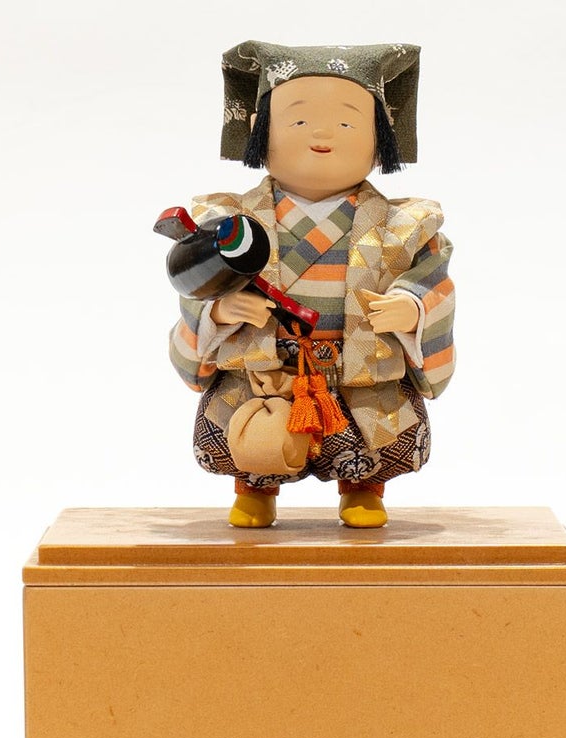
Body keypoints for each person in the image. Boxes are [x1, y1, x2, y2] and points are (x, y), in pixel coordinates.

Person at [169, 41, 455, 528]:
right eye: (299, 121)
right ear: (259, 130)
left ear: (380, 135)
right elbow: (197, 287)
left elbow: (432, 279)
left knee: (371, 440)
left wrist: (413, 306)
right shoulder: (228, 220)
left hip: (358, 369)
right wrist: (218, 311)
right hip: (266, 372)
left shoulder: (405, 225)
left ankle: (363, 490)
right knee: (252, 439)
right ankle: (256, 491)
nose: (322, 134)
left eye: (347, 123)